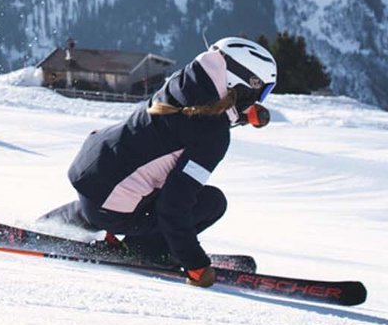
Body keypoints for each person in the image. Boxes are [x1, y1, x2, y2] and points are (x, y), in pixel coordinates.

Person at [42, 37, 283, 287]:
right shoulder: (213, 135)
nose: (259, 100)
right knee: (212, 202)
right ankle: (145, 251)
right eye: (261, 92)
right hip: (112, 205)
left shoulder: (185, 83)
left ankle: (47, 227)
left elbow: (194, 120)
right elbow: (174, 205)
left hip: (94, 174)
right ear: (244, 82)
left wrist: (240, 113)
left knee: (115, 195)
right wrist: (195, 265)